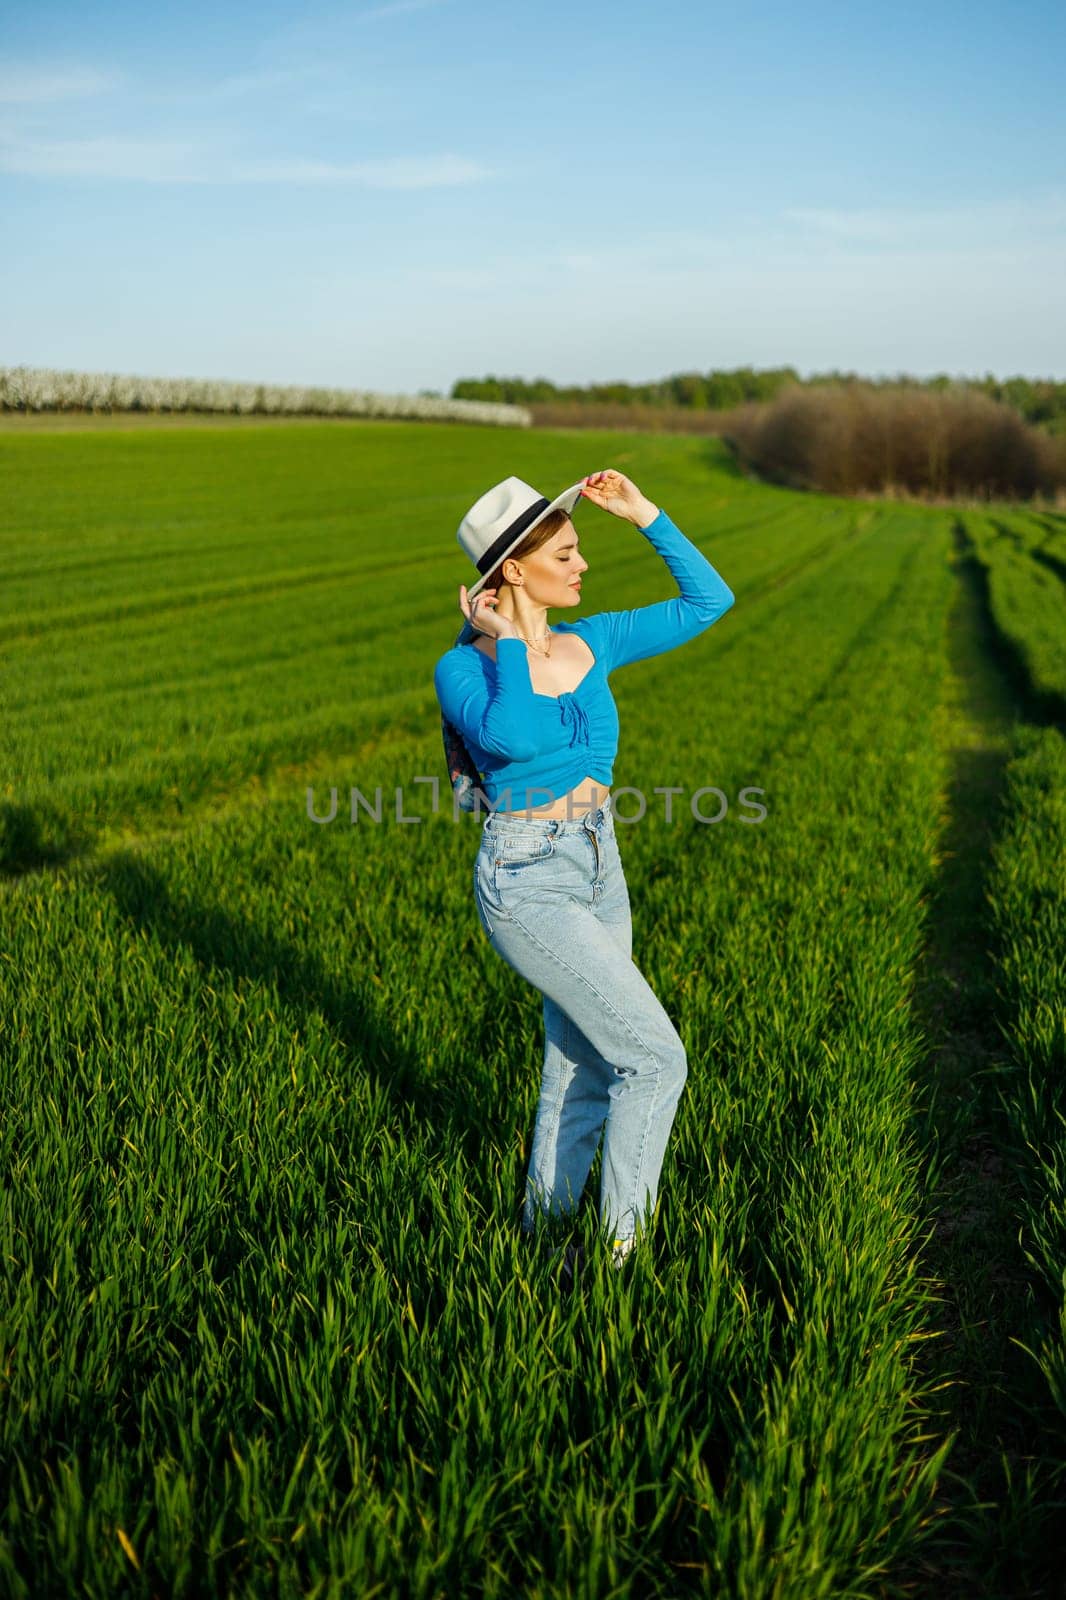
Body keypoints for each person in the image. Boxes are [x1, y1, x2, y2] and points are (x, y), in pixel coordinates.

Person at [433, 468, 735, 1273]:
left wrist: (645, 514)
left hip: (601, 862)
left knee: (586, 1061)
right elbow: (519, 738)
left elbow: (710, 603)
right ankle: (617, 1262)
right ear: (513, 572)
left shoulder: (591, 640)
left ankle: (543, 1236)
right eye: (566, 554)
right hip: (528, 880)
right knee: (655, 1058)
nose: (582, 566)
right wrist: (499, 638)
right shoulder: (464, 670)